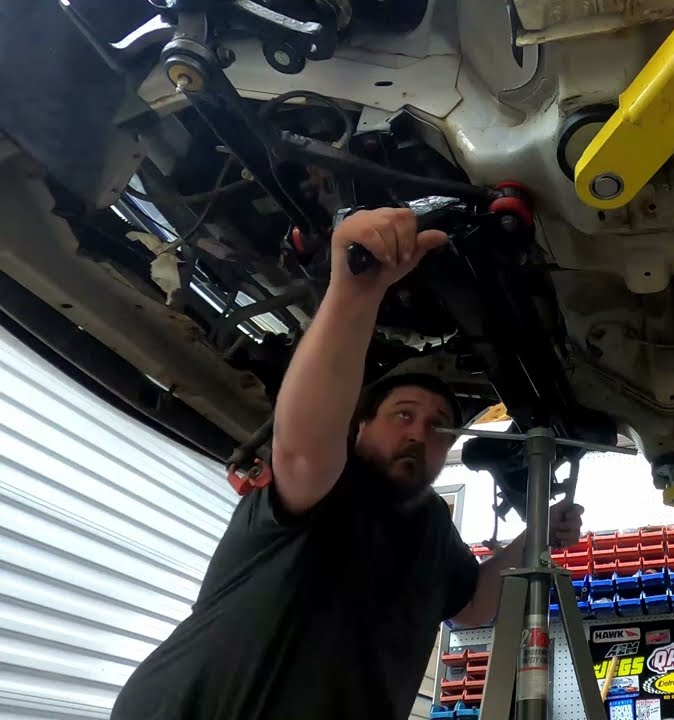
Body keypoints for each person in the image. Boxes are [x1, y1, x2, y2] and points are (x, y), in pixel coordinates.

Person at [111, 208, 585, 720]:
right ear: (359, 427)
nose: (418, 433)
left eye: (438, 426)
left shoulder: (430, 528)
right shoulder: (329, 485)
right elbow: (300, 445)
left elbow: (472, 607)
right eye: (403, 414)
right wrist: (356, 293)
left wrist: (532, 537)